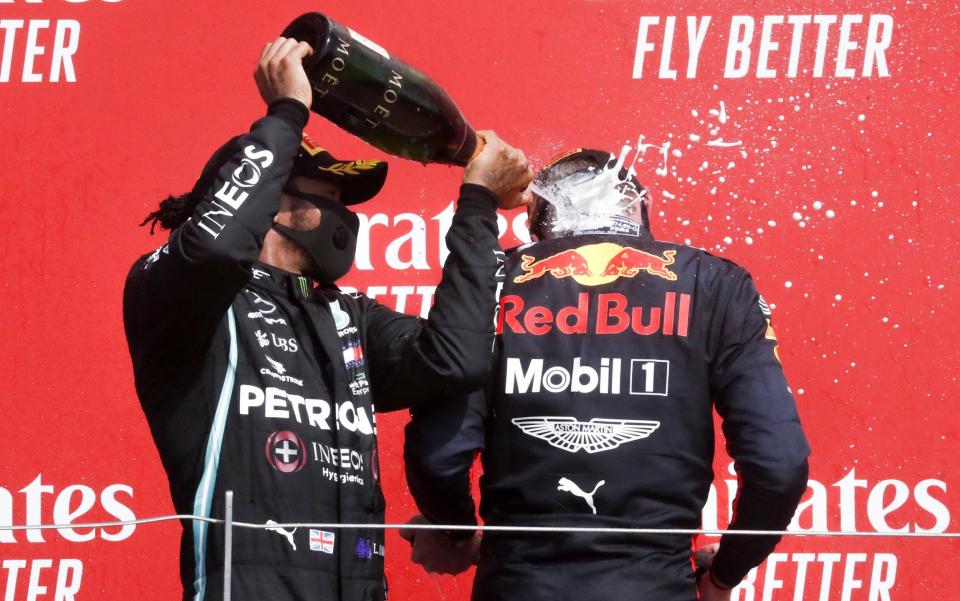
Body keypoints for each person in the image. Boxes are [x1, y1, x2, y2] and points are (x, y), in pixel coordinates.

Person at [123, 37, 532, 601]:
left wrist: (478, 202)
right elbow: (215, 251)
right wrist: (288, 112)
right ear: (267, 202)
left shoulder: (345, 316)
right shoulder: (181, 299)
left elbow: (455, 358)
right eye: (329, 191)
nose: (344, 209)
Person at [402, 148, 810, 601]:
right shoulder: (715, 283)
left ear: (540, 218)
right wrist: (724, 576)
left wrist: (456, 534)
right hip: (656, 586)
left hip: (518, 584)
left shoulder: (493, 280)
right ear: (638, 209)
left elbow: (438, 456)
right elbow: (779, 465)